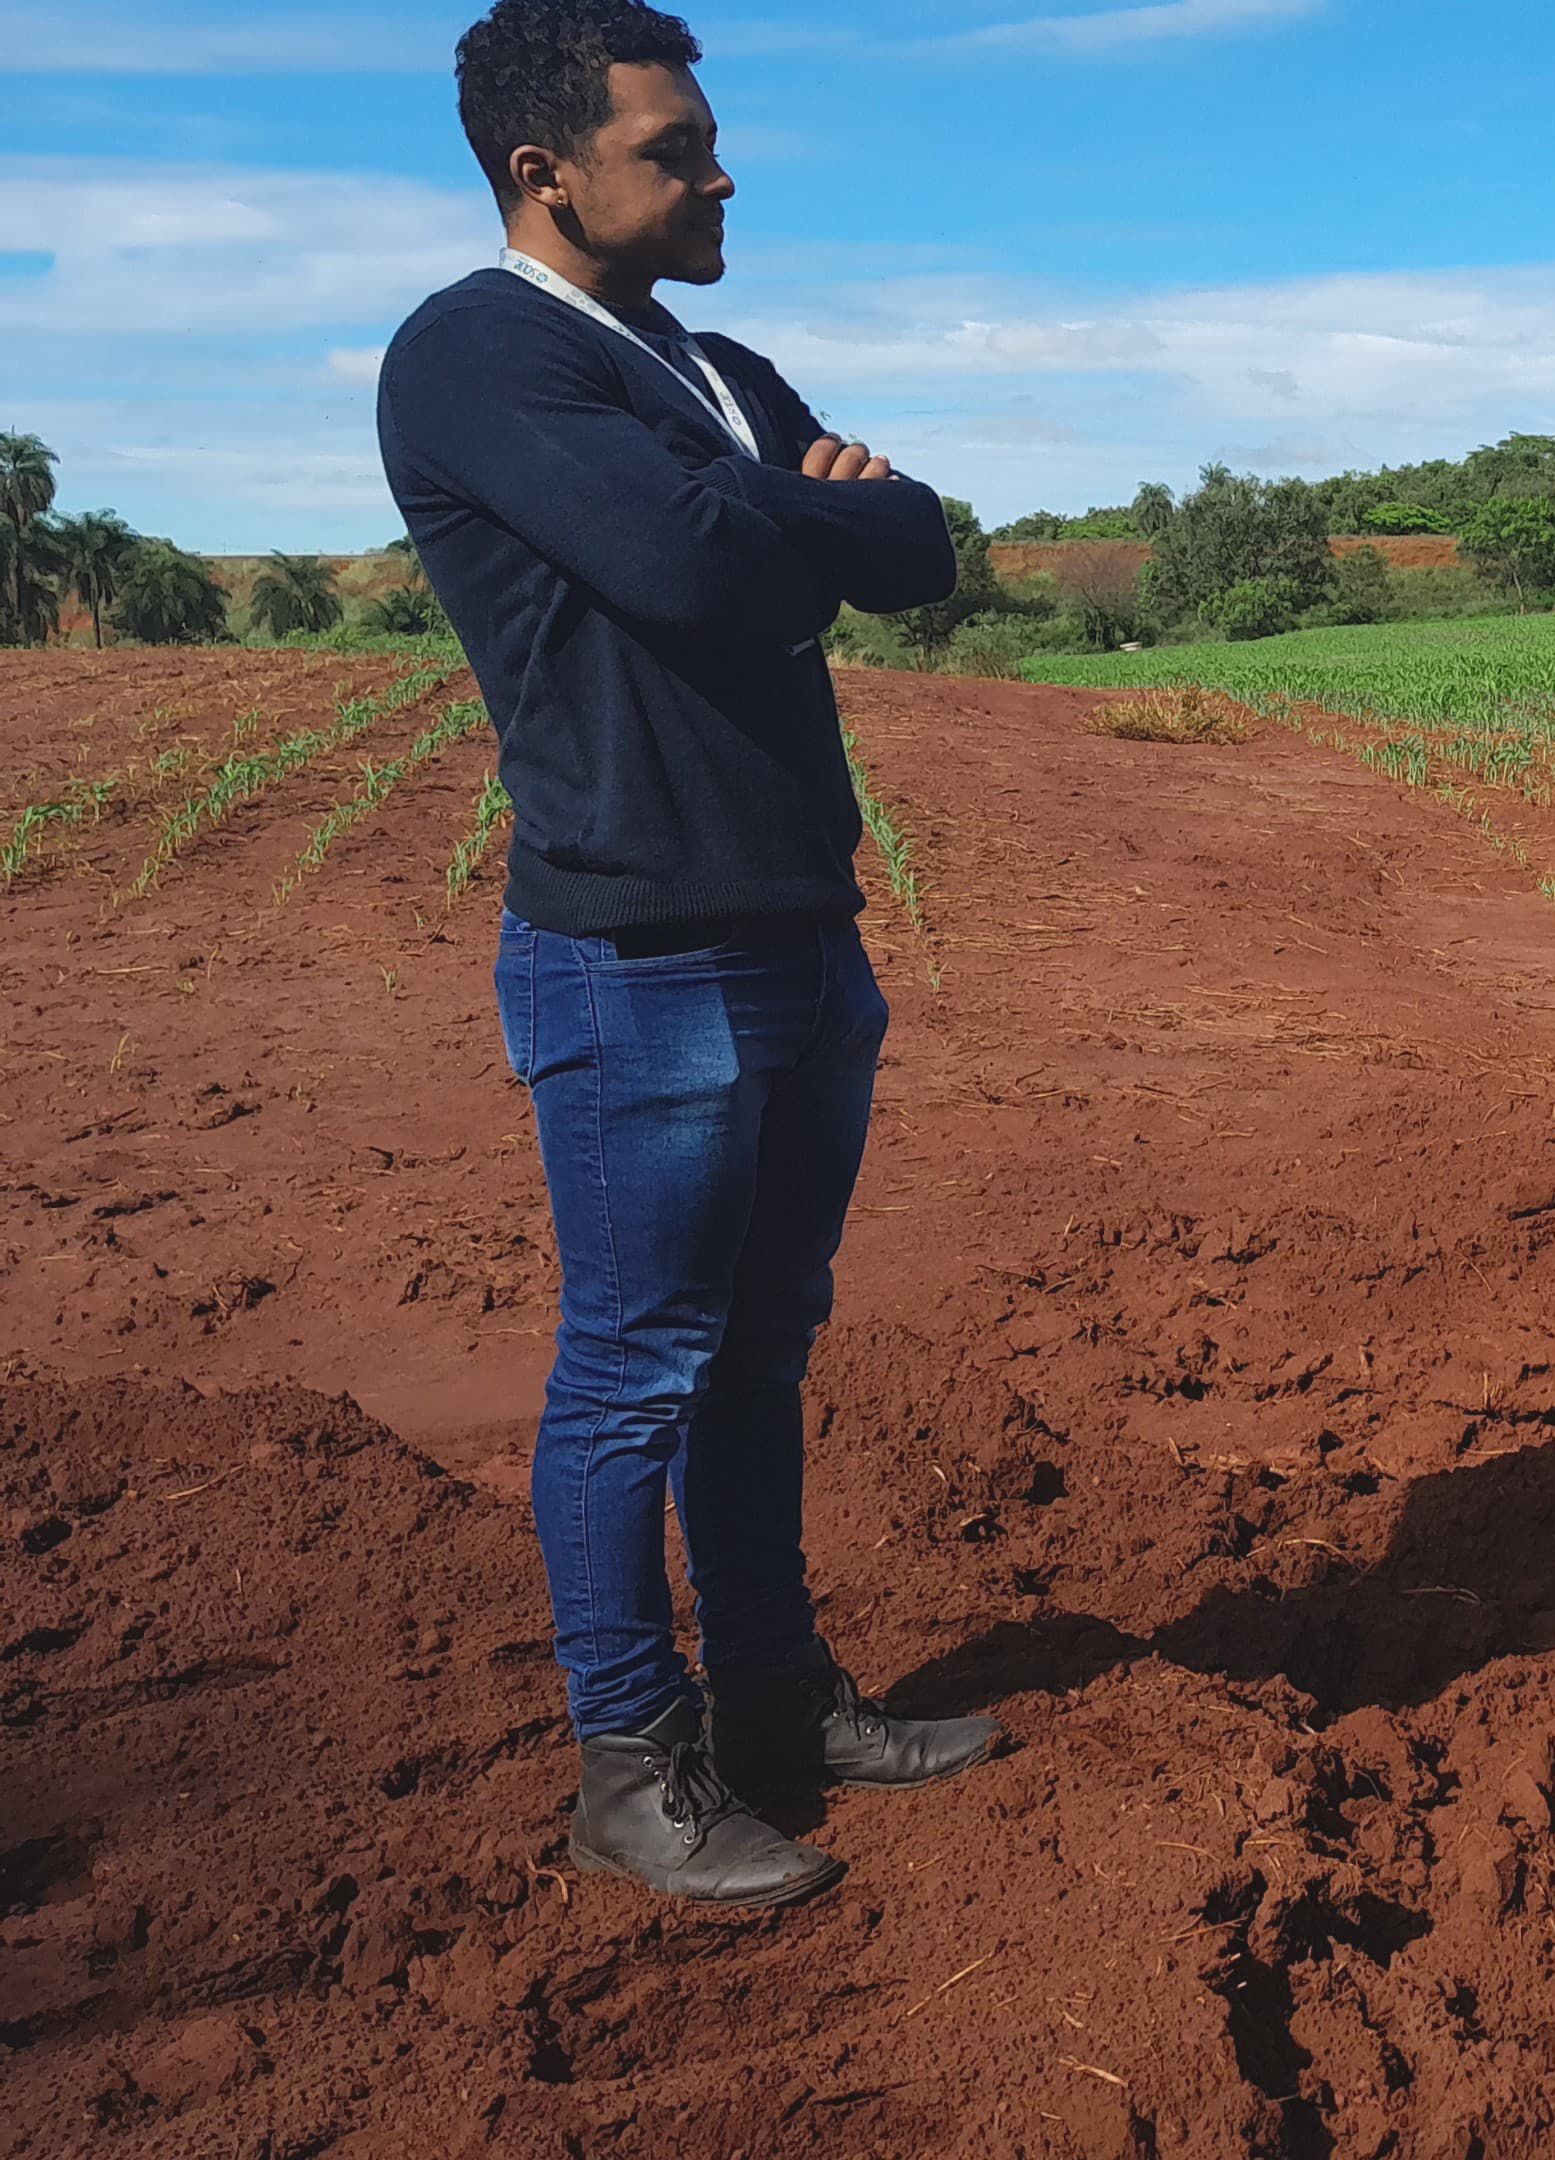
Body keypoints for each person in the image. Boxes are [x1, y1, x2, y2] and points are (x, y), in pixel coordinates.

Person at [376, 0, 992, 1907]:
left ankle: (779, 1702)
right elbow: (712, 571)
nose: (724, 177)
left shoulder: (719, 367)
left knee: (763, 1348)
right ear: (544, 172)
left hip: (802, 930)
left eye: (712, 142)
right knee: (637, 1369)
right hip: (636, 954)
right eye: (675, 150)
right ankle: (630, 1767)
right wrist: (798, 513)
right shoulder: (475, 355)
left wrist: (783, 509)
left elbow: (922, 551)